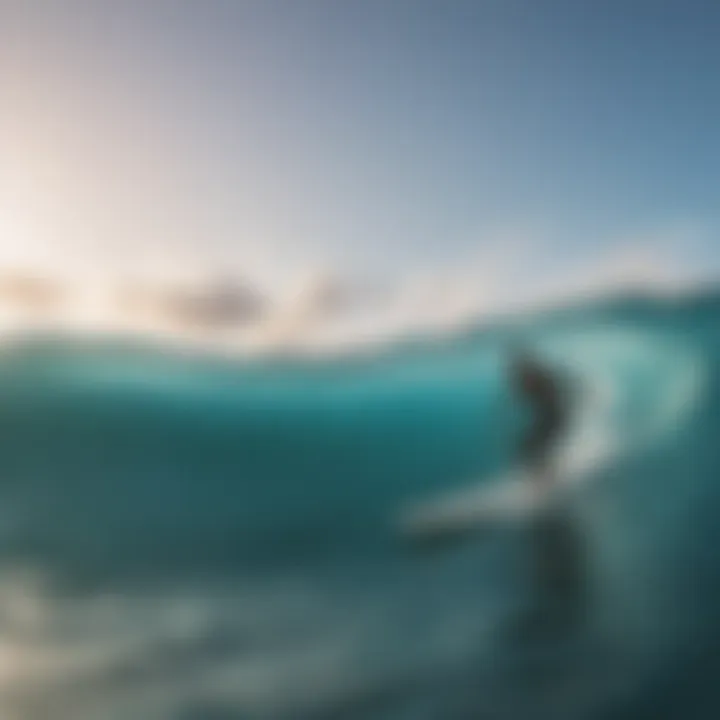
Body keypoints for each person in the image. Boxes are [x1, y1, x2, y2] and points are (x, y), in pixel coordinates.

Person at [510, 351, 569, 487]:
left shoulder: (540, 378)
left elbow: (555, 395)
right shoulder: (526, 380)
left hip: (556, 416)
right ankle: (543, 481)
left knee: (537, 448)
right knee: (529, 448)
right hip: (548, 417)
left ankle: (549, 480)